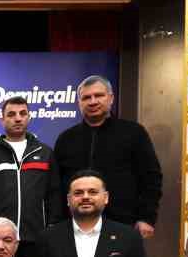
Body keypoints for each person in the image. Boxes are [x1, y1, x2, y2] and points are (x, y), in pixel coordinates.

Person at [52, 76, 162, 237]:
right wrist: (56, 221)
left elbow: (151, 177)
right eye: (86, 97)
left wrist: (147, 217)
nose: (93, 101)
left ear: (111, 98)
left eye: (98, 95)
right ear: (79, 103)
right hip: (74, 225)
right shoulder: (66, 139)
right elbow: (56, 185)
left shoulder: (134, 133)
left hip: (124, 223)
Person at [0, 96, 59, 257]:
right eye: (11, 114)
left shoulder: (45, 153)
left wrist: (52, 227)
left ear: (29, 117)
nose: (18, 118)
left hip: (36, 237)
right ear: (2, 119)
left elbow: (54, 193)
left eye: (22, 113)